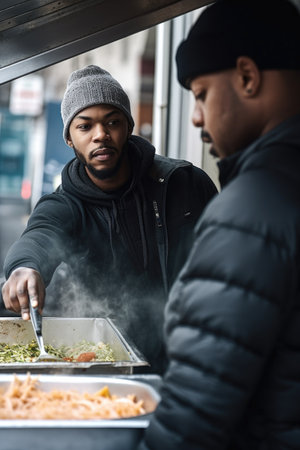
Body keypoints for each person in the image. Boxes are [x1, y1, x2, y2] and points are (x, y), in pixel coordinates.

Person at [138, 0, 300, 447]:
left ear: (247, 77)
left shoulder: (253, 206)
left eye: (201, 93)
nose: (195, 117)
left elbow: (193, 416)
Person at [1, 65, 217, 374]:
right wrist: (24, 268)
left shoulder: (184, 183)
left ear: (128, 127)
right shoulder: (65, 205)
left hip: (196, 360)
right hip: (110, 367)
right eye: (85, 126)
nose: (100, 135)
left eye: (112, 122)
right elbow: (40, 234)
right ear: (69, 139)